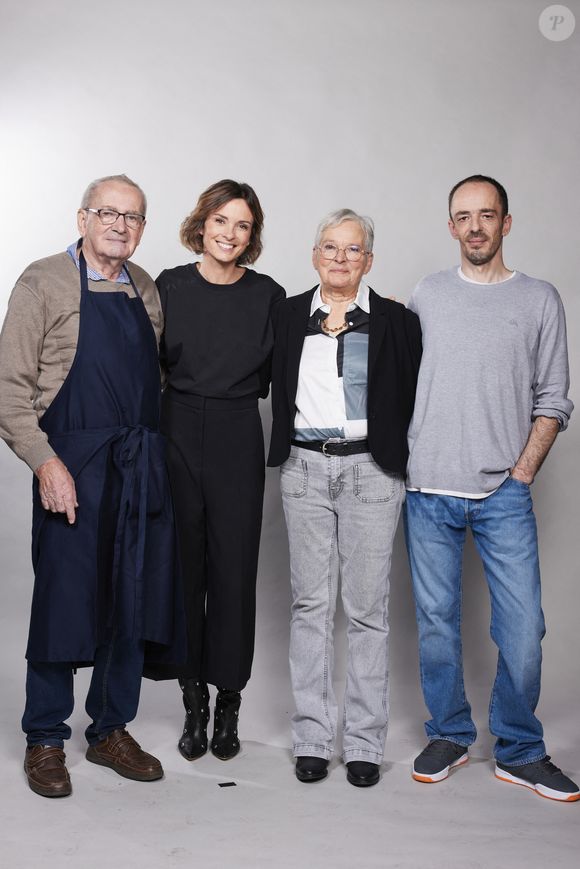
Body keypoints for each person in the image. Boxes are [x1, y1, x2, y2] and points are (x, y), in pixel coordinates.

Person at [0, 174, 184, 798]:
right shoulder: (43, 280)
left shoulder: (147, 289)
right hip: (71, 464)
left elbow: (153, 379)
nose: (120, 225)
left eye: (133, 217)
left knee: (129, 598)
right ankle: (45, 737)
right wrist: (47, 464)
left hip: (136, 464)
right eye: (108, 212)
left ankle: (109, 729)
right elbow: (9, 392)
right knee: (64, 599)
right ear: (82, 218)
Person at [404, 174, 579, 802]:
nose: (475, 226)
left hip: (504, 490)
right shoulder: (426, 294)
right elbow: (403, 384)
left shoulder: (539, 299)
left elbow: (554, 397)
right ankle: (450, 732)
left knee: (524, 626)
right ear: (451, 227)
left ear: (506, 222)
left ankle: (519, 748)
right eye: (463, 216)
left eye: (487, 214)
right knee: (436, 623)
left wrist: (523, 471)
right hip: (427, 489)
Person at [268, 209, 422, 787]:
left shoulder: (397, 323)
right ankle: (311, 738)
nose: (339, 258)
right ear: (314, 255)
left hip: (371, 473)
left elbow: (420, 395)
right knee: (310, 607)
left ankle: (362, 743)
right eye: (330, 247)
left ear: (369, 262)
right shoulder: (286, 317)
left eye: (352, 250)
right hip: (304, 470)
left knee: (367, 613)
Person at [146, 180, 285, 762]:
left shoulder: (269, 296)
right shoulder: (169, 286)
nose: (230, 234)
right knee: (184, 570)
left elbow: (292, 377)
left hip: (236, 432)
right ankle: (192, 701)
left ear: (252, 236)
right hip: (175, 425)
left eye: (243, 225)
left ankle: (229, 699)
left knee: (233, 570)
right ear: (201, 224)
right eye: (221, 221)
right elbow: (142, 368)